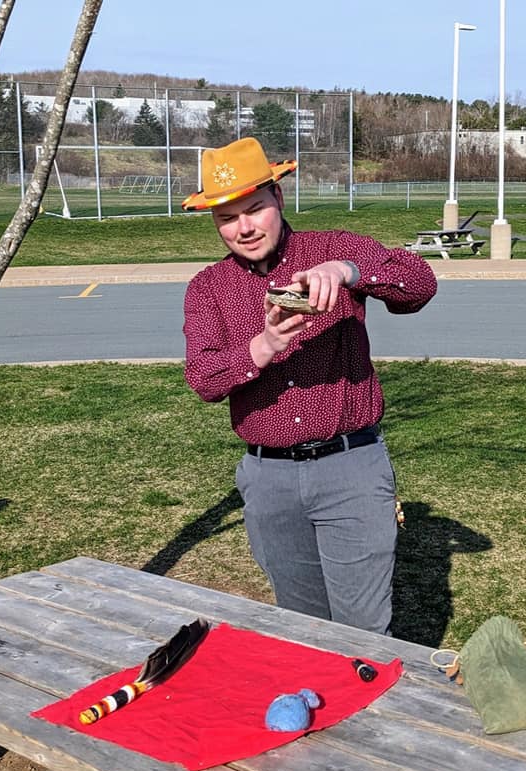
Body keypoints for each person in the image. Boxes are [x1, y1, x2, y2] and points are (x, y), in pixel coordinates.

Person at [182, 137, 437, 635]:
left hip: (351, 468)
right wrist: (264, 346)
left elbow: (419, 284)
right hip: (268, 478)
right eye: (227, 219)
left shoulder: (332, 249)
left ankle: (370, 708)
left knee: (363, 631)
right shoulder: (208, 288)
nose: (244, 228)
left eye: (254, 209)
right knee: (301, 629)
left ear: (278, 198)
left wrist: (348, 272)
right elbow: (204, 378)